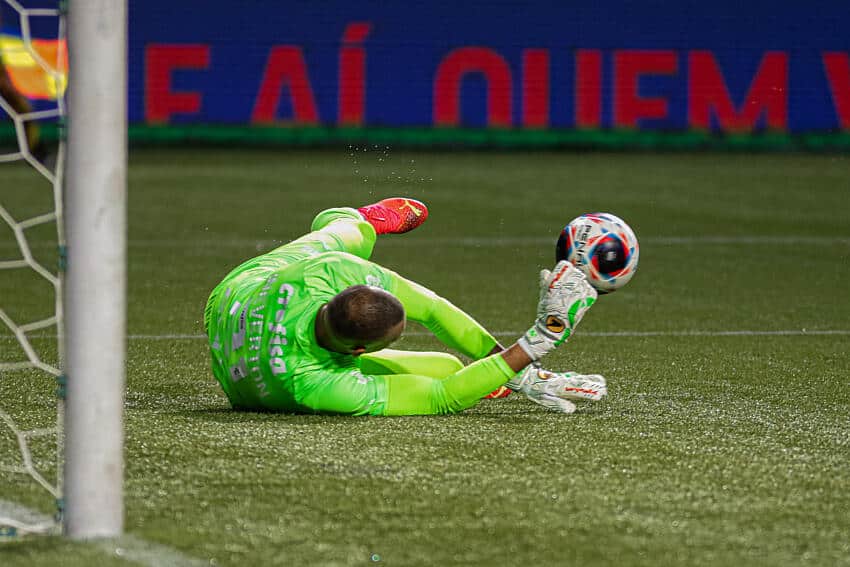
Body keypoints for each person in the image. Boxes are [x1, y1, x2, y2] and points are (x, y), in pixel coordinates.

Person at [204, 198, 607, 416]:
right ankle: (356, 219)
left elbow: (432, 309)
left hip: (240, 294)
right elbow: (441, 398)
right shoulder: (318, 386)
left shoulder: (325, 272)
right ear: (359, 352)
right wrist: (537, 342)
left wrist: (523, 376)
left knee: (344, 235)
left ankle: (365, 218)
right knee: (450, 371)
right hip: (239, 357)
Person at [0, 10, 46, 161]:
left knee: (24, 111)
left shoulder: (9, 37)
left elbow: (16, 68)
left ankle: (35, 150)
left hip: (8, 85)